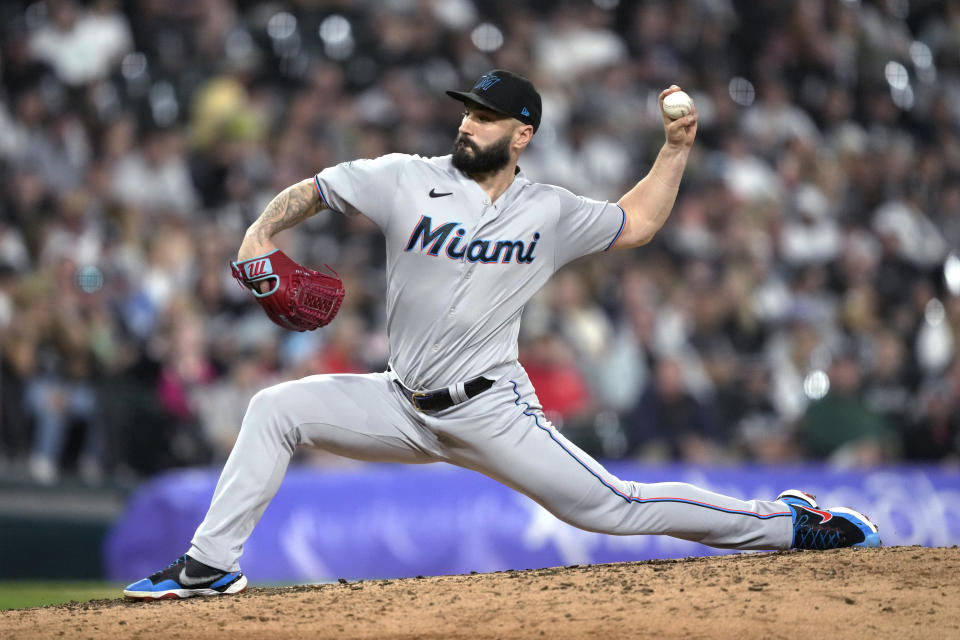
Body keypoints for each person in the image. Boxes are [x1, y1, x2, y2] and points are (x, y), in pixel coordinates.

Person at [123, 70, 880, 600]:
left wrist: (676, 152)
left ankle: (791, 525)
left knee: (613, 506)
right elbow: (314, 190)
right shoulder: (404, 178)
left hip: (492, 410)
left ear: (522, 134)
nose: (465, 123)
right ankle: (208, 567)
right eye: (464, 111)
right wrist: (259, 235)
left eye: (482, 116)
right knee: (274, 410)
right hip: (401, 402)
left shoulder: (548, 211)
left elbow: (640, 222)